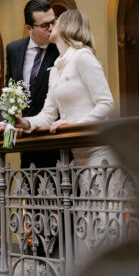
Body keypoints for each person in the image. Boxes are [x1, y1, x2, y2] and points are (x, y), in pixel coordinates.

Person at [15, 9, 117, 167]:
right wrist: (25, 122)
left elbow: (106, 103)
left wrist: (74, 127)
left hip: (99, 151)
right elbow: (48, 114)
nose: (51, 26)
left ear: (68, 26)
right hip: (76, 153)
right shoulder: (55, 69)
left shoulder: (83, 56)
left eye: (55, 21)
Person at [0, 0, 59, 167]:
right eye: (45, 25)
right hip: (26, 142)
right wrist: (3, 122)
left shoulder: (60, 48)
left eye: (53, 22)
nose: (52, 29)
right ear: (29, 28)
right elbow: (9, 91)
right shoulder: (14, 50)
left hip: (55, 138)